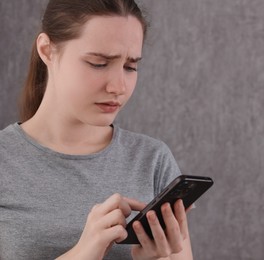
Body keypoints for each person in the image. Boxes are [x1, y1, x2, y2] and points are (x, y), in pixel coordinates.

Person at [0, 0, 193, 259]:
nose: (118, 87)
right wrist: (83, 252)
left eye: (130, 67)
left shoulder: (153, 161)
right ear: (47, 50)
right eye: (99, 63)